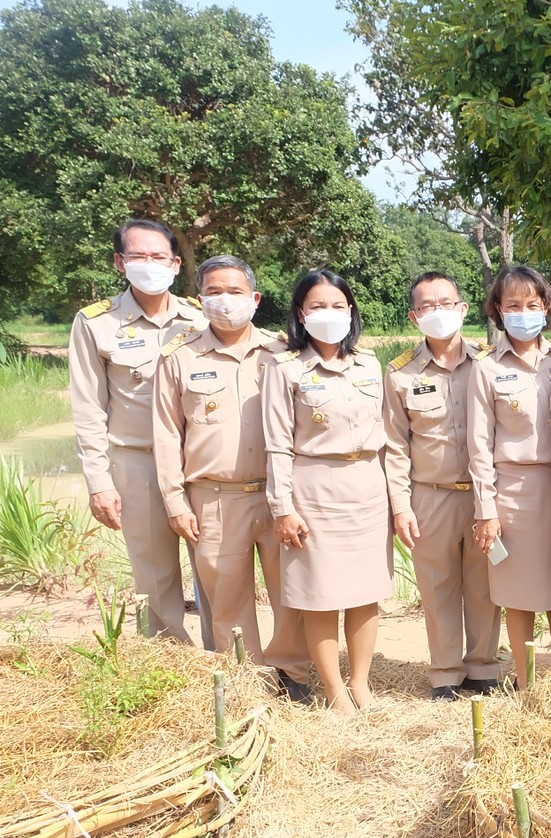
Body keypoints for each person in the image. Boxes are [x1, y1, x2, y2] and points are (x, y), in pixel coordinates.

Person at [152, 255, 312, 702]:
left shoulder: (283, 353)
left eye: (235, 291)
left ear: (255, 299)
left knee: (292, 591)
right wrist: (175, 502)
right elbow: (165, 436)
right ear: (199, 299)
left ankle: (293, 673)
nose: (225, 301)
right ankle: (246, 681)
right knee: (227, 598)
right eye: (214, 292)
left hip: (279, 495)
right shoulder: (179, 358)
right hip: (214, 497)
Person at [68, 218, 213, 643]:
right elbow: (88, 407)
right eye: (138, 256)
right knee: (154, 574)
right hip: (139, 462)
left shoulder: (199, 317)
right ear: (120, 262)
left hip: (198, 462)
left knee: (215, 567)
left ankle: (228, 661)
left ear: (175, 262)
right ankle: (169, 670)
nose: (149, 264)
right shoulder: (97, 323)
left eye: (159, 256)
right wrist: (99, 482)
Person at [262, 269, 393, 716]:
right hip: (314, 489)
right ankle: (334, 689)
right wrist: (283, 507)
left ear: (351, 311)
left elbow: (389, 436)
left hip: (368, 487)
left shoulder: (370, 365)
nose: (329, 314)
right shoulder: (284, 369)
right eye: (317, 306)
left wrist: (398, 501)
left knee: (365, 590)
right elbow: (277, 444)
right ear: (301, 313)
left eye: (338, 305)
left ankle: (361, 683)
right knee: (320, 593)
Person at [383, 271, 503, 701]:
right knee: (437, 588)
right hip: (429, 495)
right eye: (428, 306)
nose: (438, 312)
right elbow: (395, 446)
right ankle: (445, 673)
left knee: (486, 584)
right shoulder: (399, 374)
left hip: (483, 495)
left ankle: (483, 666)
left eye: (446, 303)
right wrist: (401, 506)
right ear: (415, 316)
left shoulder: (489, 365)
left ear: (463, 309)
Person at [469, 264, 551, 676]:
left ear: (546, 307)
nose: (523, 312)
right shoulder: (486, 368)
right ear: (498, 309)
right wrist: (486, 508)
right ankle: (527, 681)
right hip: (512, 488)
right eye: (512, 304)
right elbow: (478, 445)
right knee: (518, 590)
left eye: (532, 303)